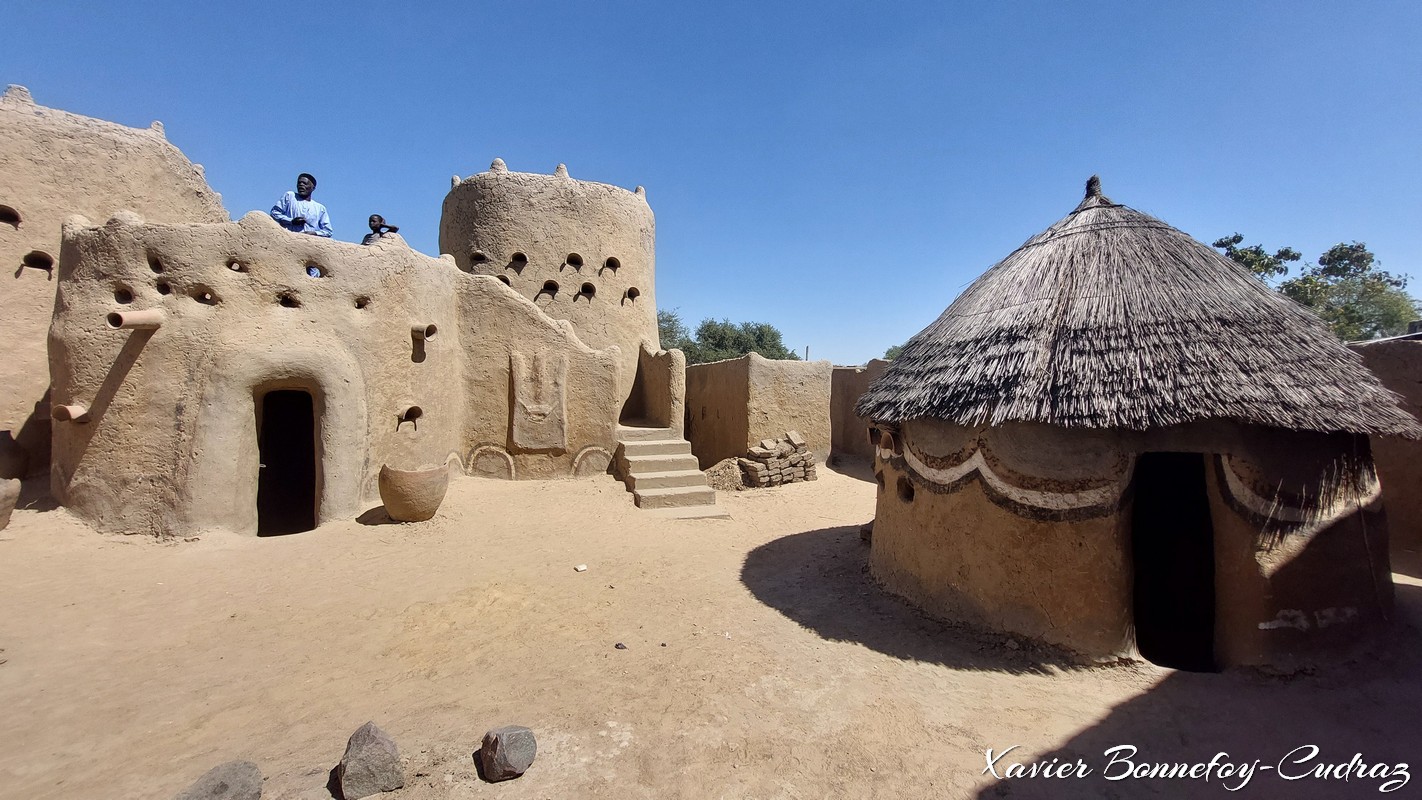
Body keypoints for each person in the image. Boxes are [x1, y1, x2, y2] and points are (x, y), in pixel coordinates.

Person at [270, 173, 332, 238]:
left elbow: (328, 231)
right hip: (289, 238)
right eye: (299, 183)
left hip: (308, 242)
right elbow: (274, 213)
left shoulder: (320, 208)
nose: (301, 185)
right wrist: (291, 221)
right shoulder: (290, 196)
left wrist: (314, 233)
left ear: (313, 188)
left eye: (305, 183)